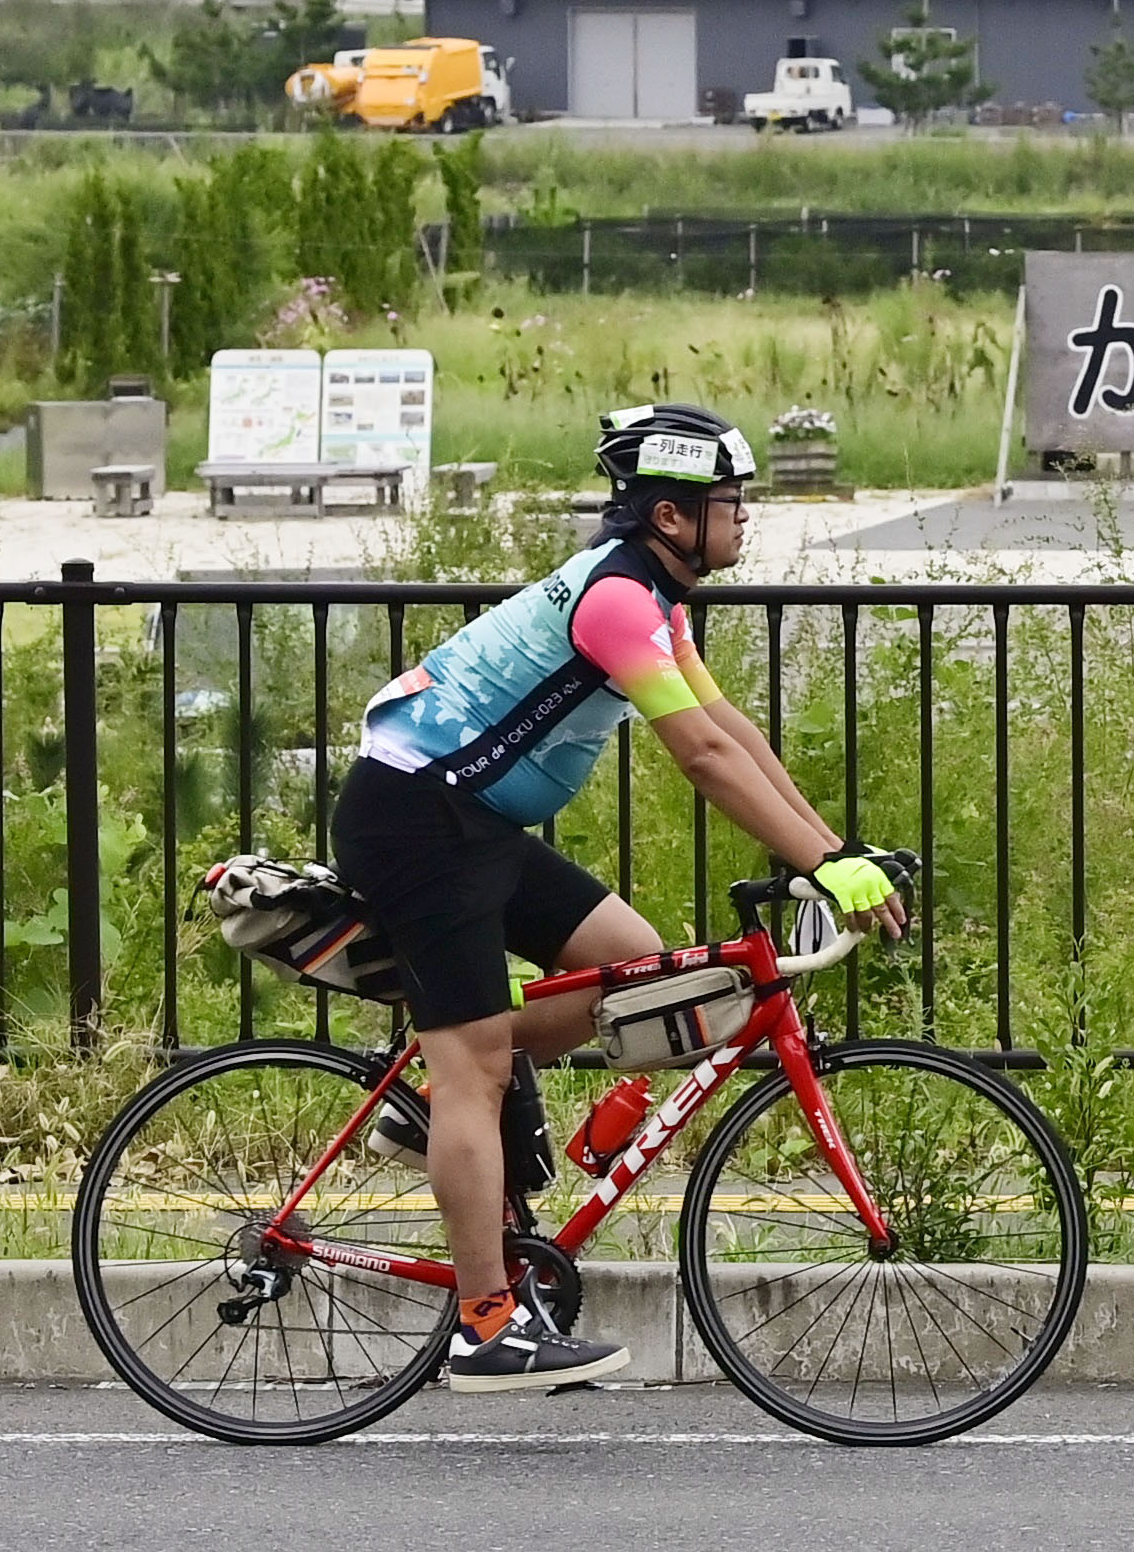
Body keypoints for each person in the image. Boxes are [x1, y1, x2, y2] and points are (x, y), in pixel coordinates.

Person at [330, 404, 908, 1394]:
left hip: (469, 820)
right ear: (673, 517)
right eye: (731, 501)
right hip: (417, 819)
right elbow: (703, 756)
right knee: (476, 1062)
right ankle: (485, 1327)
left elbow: (734, 729)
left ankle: (437, 1109)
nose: (745, 517)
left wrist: (833, 849)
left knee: (635, 963)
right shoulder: (613, 601)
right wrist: (822, 865)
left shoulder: (653, 599)